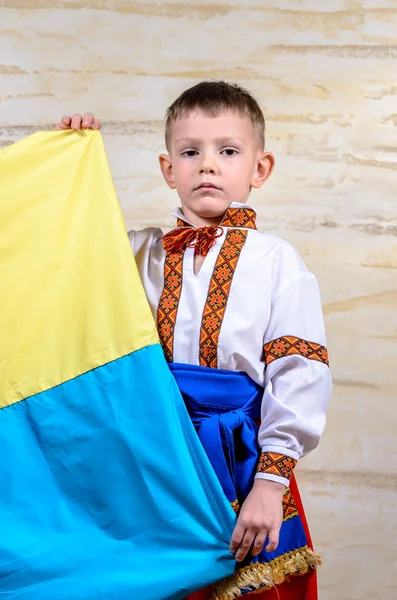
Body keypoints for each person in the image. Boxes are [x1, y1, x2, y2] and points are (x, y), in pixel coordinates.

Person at [54, 80, 332, 600]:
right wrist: (70, 160)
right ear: (168, 169)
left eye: (228, 151)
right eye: (190, 152)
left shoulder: (278, 262)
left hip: (240, 458)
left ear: (260, 168)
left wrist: (270, 485)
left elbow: (300, 372)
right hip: (152, 450)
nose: (207, 165)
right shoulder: (134, 252)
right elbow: (68, 251)